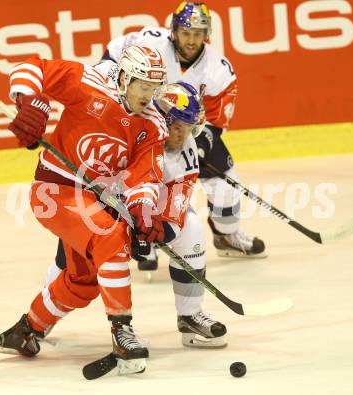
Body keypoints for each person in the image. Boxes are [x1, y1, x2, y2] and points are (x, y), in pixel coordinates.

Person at [0, 45, 169, 374]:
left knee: (83, 281)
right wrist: (27, 101)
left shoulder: (152, 124)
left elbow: (144, 176)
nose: (149, 96)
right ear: (124, 78)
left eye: (154, 88)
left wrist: (144, 212)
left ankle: (24, 331)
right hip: (55, 190)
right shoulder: (89, 81)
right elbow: (32, 68)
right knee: (110, 237)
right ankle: (122, 332)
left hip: (94, 202)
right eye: (144, 86)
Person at [47, 82, 227, 348]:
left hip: (146, 218)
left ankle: (189, 315)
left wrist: (157, 232)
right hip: (99, 211)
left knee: (191, 227)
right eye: (177, 126)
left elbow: (178, 197)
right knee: (70, 264)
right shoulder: (131, 128)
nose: (182, 135)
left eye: (189, 128)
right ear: (163, 119)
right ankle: (43, 318)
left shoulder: (185, 149)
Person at [102, 1, 266, 270]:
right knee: (144, 177)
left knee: (226, 183)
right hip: (143, 123)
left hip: (187, 131)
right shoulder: (151, 42)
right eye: (186, 32)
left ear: (206, 35)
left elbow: (216, 119)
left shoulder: (219, 69)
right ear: (174, 30)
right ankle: (146, 237)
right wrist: (109, 79)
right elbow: (114, 53)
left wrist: (204, 140)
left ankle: (226, 235)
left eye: (198, 34)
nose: (191, 40)